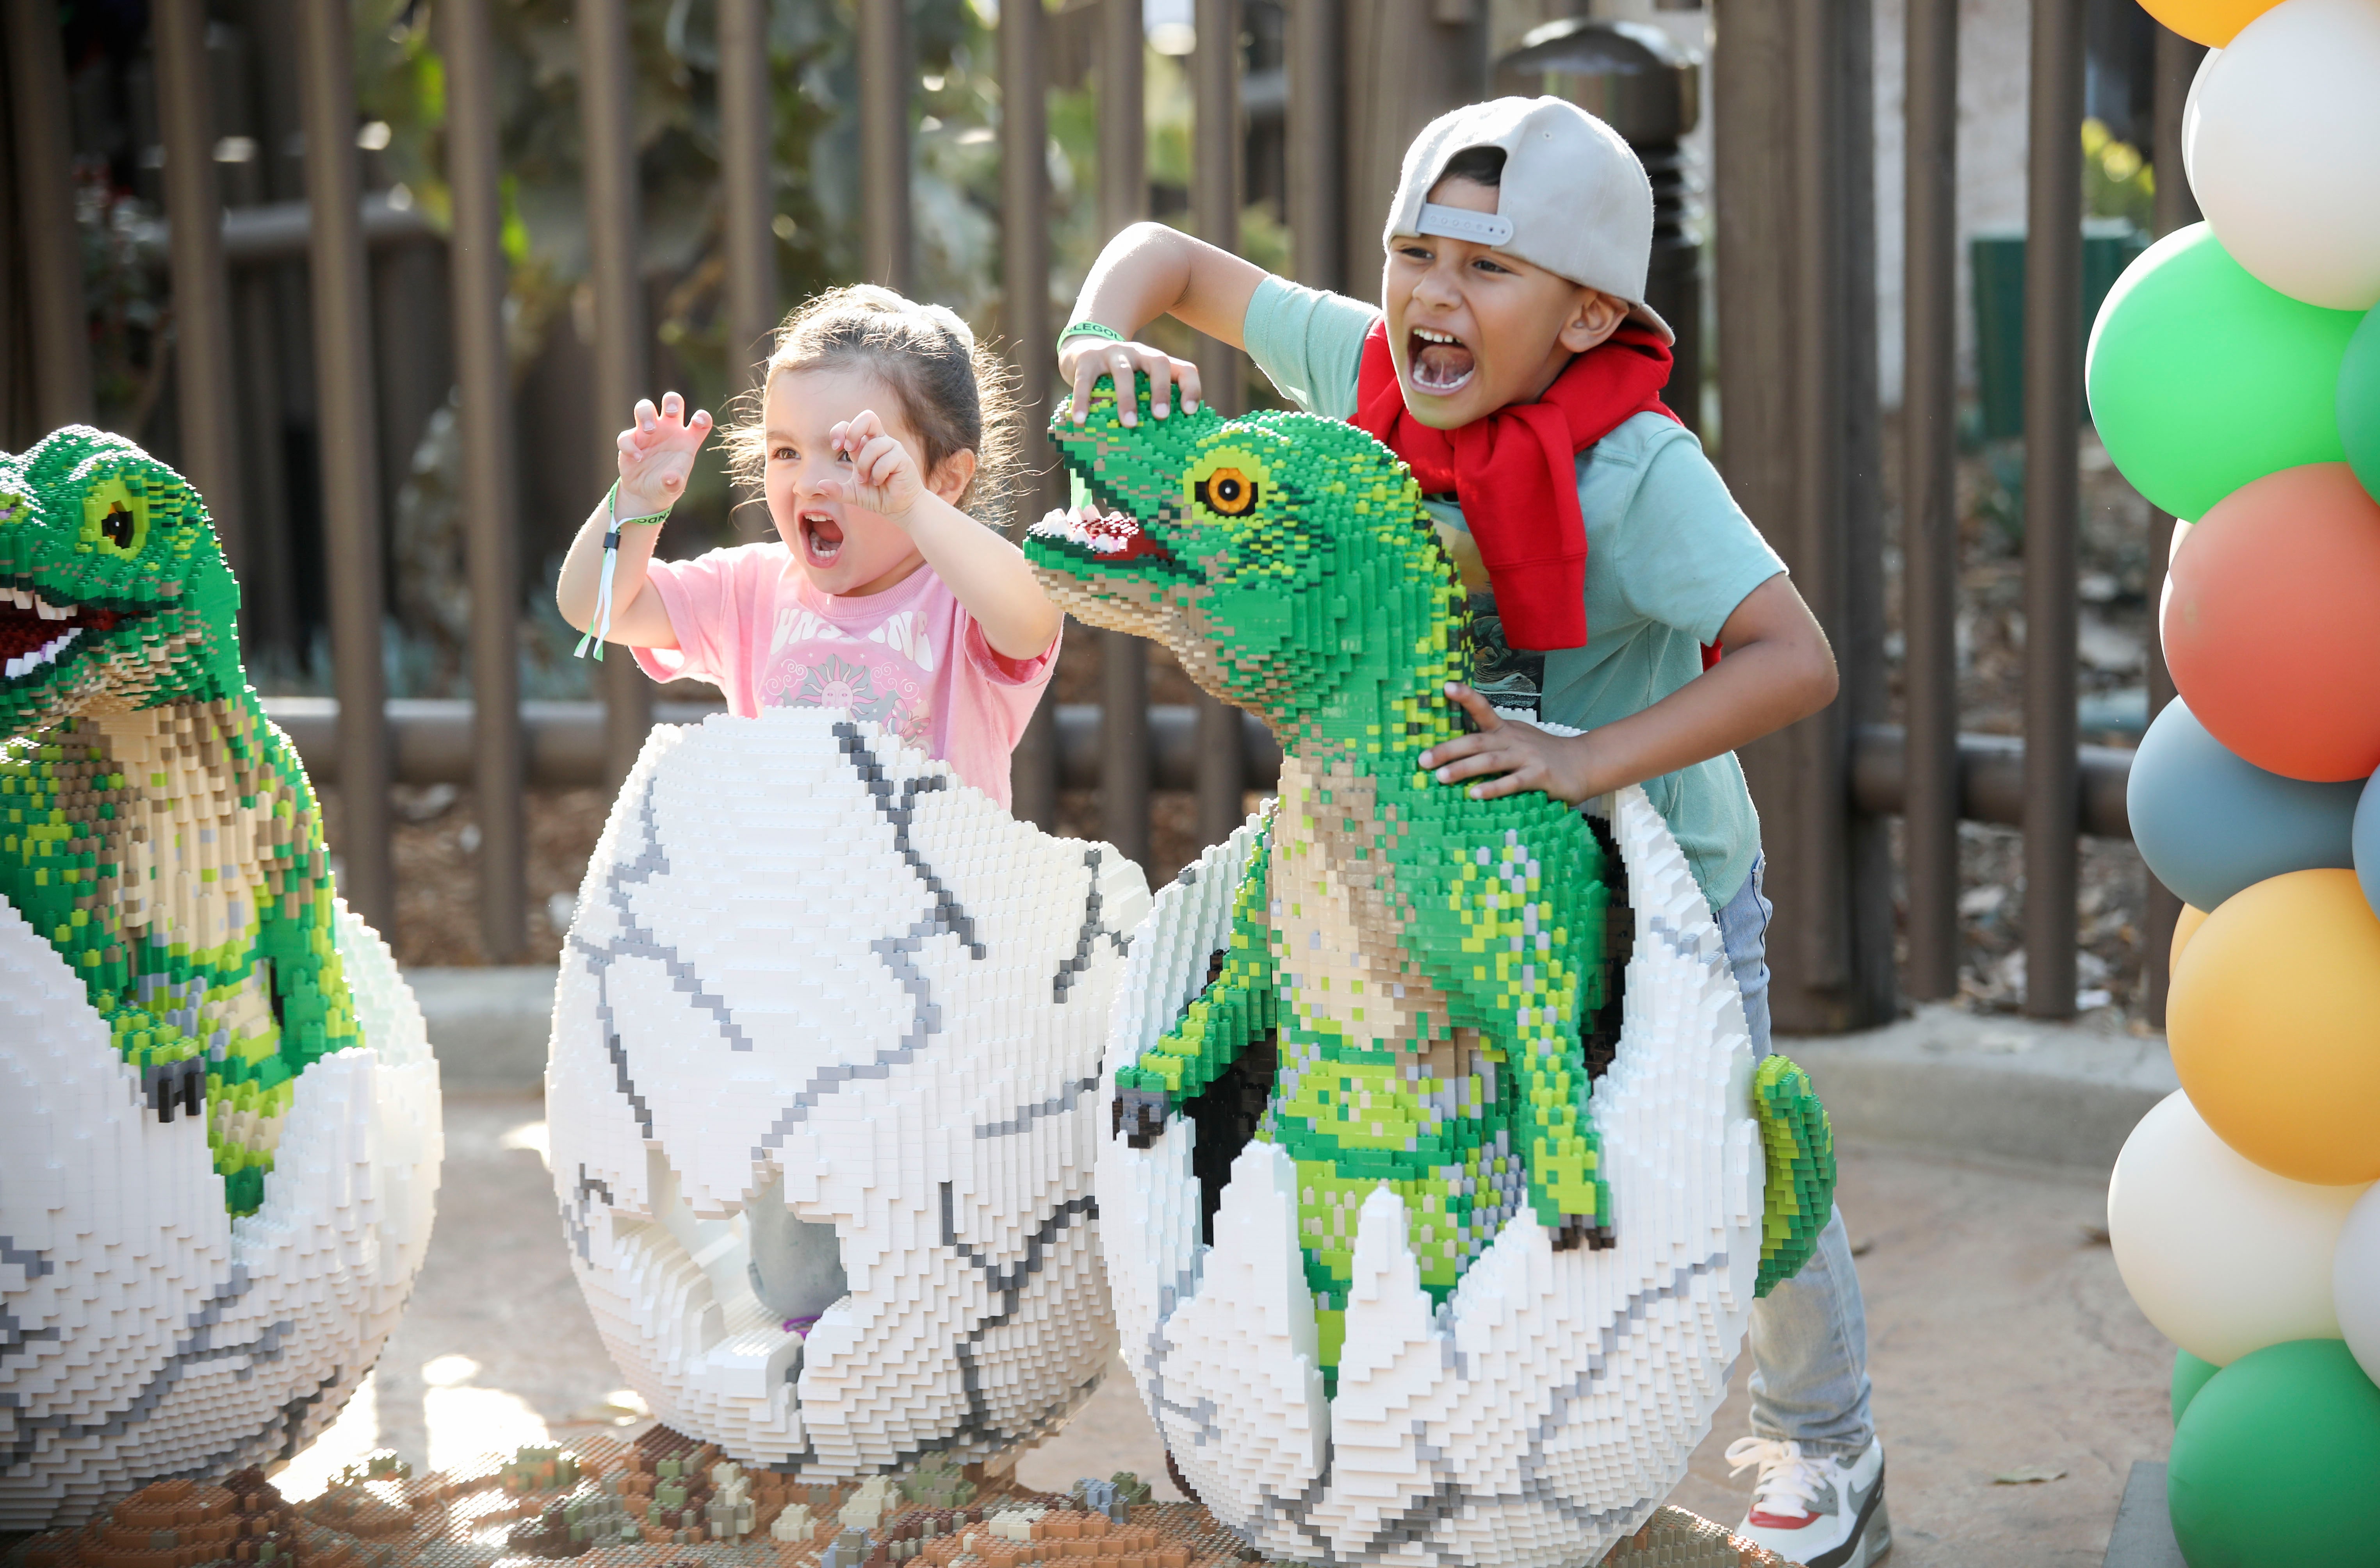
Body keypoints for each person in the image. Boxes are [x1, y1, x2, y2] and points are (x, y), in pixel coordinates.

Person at [1052, 97, 1885, 1566]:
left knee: (1730, 1148)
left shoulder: (1633, 466)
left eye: (1485, 272)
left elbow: (1790, 654)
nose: (1432, 296)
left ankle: (1827, 1442)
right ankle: (1415, 1431)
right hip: (1414, 868)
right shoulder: (1364, 365)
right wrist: (1099, 332)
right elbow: (1163, 255)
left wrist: (1582, 758)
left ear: (1583, 316)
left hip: (1650, 880)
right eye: (1411, 252)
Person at [556, 285, 1062, 810]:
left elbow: (1034, 620)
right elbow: (592, 607)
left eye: (848, 455)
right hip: (782, 891)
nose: (809, 482)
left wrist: (913, 506)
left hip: (934, 891)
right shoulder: (748, 589)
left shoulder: (965, 600)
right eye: (787, 451)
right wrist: (636, 502)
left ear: (946, 478)